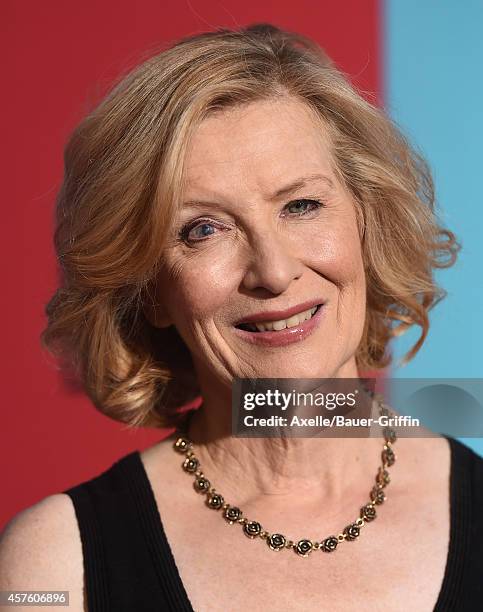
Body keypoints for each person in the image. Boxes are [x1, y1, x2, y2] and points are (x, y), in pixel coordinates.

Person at [1, 23, 482, 612]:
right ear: (148, 287)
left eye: (300, 205)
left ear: (366, 224)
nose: (273, 272)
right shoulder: (51, 565)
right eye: (203, 229)